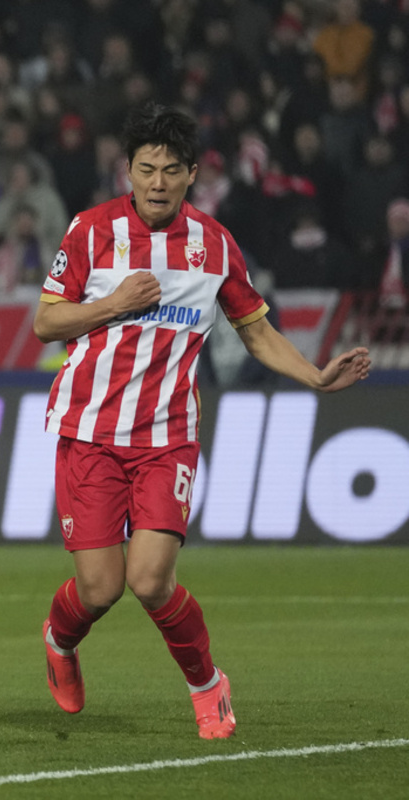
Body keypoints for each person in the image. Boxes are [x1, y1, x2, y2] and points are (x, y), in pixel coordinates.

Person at [32, 103, 370, 739]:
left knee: (151, 580)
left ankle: (207, 684)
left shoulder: (214, 245)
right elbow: (46, 321)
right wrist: (113, 304)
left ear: (193, 174)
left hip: (168, 438)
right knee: (101, 590)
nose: (157, 182)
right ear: (126, 171)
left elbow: (256, 331)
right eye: (145, 169)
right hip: (89, 433)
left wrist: (316, 376)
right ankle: (59, 640)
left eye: (171, 170)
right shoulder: (90, 231)